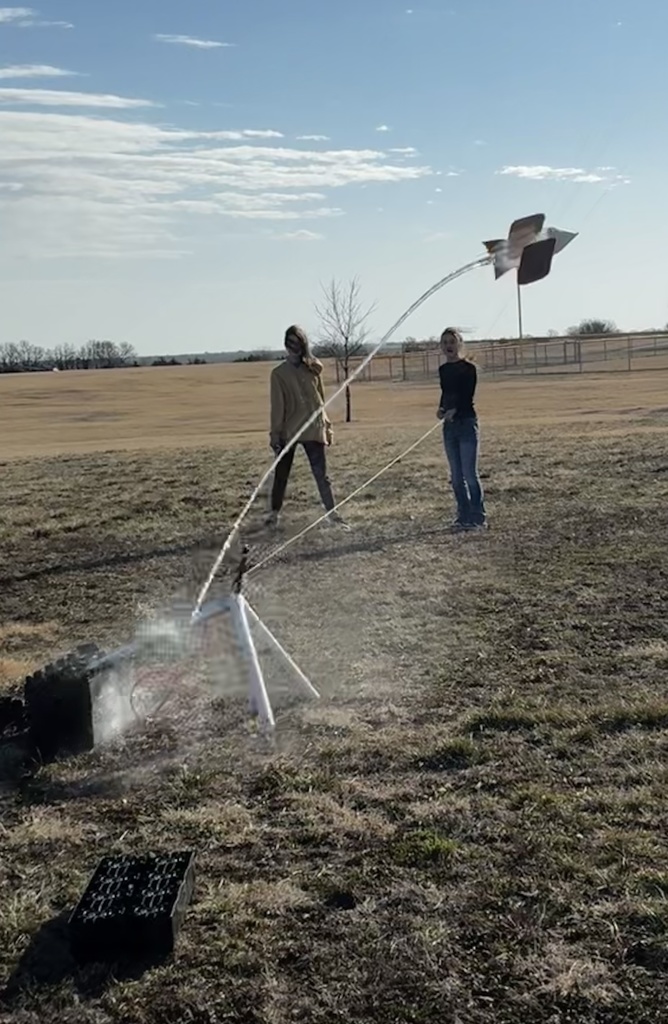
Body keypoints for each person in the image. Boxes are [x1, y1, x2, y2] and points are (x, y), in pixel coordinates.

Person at [265, 325, 349, 530]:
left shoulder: (313, 369)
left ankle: (333, 515)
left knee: (322, 475)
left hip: (313, 429)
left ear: (303, 345)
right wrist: (275, 435)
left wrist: (327, 428)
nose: (293, 347)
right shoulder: (278, 374)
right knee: (281, 475)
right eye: (289, 342)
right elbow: (278, 407)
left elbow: (320, 402)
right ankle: (273, 517)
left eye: (297, 342)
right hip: (290, 432)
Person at [437, 327, 487, 531]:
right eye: (445, 342)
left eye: (452, 342)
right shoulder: (443, 370)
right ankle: (463, 514)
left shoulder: (469, 369)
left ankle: (478, 516)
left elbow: (467, 397)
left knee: (469, 474)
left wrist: (455, 410)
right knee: (456, 476)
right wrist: (441, 409)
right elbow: (446, 394)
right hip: (449, 428)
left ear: (459, 344)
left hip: (466, 423)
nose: (449, 346)